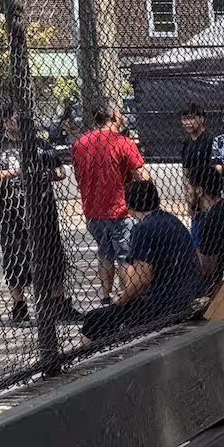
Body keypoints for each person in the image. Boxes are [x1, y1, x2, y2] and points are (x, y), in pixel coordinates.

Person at [0, 106, 74, 325]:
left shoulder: (39, 145)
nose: (21, 122)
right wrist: (16, 172)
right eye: (16, 118)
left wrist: (42, 174)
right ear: (6, 119)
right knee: (16, 256)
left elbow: (60, 172)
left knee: (53, 255)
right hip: (13, 212)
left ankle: (59, 304)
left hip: (43, 210)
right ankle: (19, 307)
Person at [79, 178, 202, 342]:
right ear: (157, 200)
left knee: (94, 321)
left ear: (129, 207)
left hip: (164, 303)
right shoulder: (171, 220)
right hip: (186, 293)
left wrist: (121, 300)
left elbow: (141, 278)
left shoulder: (143, 228)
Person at [71, 101, 150, 302]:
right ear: (114, 116)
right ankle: (128, 297)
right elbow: (142, 175)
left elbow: (78, 174)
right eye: (120, 113)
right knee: (125, 255)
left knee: (105, 253)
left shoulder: (80, 143)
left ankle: (106, 295)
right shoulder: (123, 142)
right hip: (120, 209)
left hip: (92, 209)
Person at [179, 101, 214, 184]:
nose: (187, 123)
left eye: (191, 118)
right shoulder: (186, 142)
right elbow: (185, 171)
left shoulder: (210, 140)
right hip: (193, 186)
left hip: (209, 186)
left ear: (201, 118)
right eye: (184, 119)